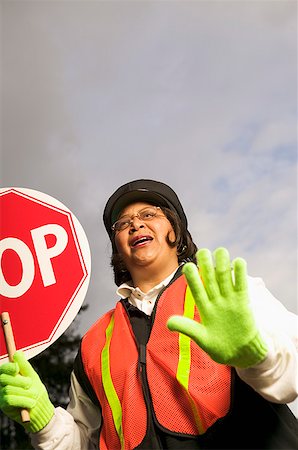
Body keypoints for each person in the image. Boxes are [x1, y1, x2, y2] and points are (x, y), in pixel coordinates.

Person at [0, 178, 297, 450]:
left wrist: (257, 357)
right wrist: (45, 420)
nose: (135, 225)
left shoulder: (225, 291)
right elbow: (85, 442)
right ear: (117, 246)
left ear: (174, 230)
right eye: (122, 223)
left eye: (149, 214)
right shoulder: (94, 344)